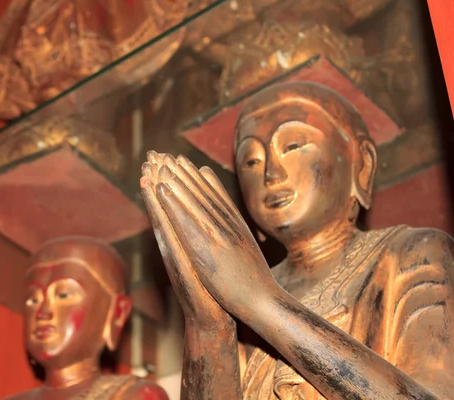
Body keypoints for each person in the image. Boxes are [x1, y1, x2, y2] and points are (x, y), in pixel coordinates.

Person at [140, 81, 454, 399]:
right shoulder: (235, 296)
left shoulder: (412, 253)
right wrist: (208, 326)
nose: (271, 174)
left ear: (363, 165)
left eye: (293, 146)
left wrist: (261, 301)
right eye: (251, 161)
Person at [0, 236, 168, 400]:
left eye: (63, 295)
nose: (43, 312)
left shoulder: (135, 396)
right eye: (33, 300)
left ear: (116, 314)